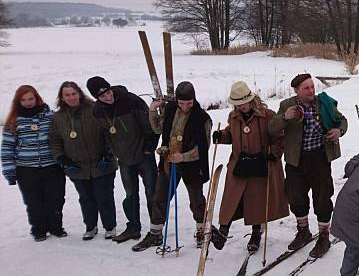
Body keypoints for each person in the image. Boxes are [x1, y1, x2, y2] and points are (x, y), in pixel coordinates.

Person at [269, 73, 347, 258]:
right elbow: (272, 129)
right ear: (297, 91)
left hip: (319, 158)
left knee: (322, 198)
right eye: (306, 88)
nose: (311, 91)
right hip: (295, 160)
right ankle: (303, 231)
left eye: (312, 87)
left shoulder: (323, 103)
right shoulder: (287, 105)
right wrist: (285, 118)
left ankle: (324, 237)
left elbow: (342, 120)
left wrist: (338, 131)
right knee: (296, 197)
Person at [132, 81, 212, 252]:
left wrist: (182, 156)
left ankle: (201, 231)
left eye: (189, 103)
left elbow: (203, 148)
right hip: (169, 162)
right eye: (181, 103)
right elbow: (158, 128)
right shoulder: (170, 110)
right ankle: (155, 233)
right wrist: (152, 110)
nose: (185, 107)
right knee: (160, 197)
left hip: (193, 166)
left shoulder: (203, 118)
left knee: (196, 200)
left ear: (194, 99)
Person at [210, 81, 289, 252]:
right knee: (231, 198)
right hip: (240, 163)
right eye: (237, 104)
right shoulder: (234, 117)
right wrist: (221, 136)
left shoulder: (267, 115)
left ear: (250, 99)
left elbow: (279, 139)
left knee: (256, 201)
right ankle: (223, 232)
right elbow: (231, 133)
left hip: (261, 164)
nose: (241, 107)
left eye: (243, 103)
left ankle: (256, 233)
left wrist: (274, 153)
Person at [87, 76, 159, 243]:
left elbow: (150, 126)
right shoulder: (98, 111)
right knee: (130, 194)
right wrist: (112, 152)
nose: (107, 96)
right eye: (102, 96)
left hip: (144, 155)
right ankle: (133, 227)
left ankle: (156, 228)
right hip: (125, 159)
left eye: (107, 91)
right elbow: (105, 135)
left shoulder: (131, 101)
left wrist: (149, 149)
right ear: (96, 98)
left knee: (151, 193)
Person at [49, 81, 118, 240]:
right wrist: (62, 159)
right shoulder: (58, 118)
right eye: (67, 95)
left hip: (102, 164)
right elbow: (54, 141)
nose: (71, 97)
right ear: (62, 97)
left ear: (79, 94)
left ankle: (110, 226)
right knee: (86, 198)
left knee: (104, 197)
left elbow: (110, 133)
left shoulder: (95, 109)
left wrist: (108, 155)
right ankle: (91, 226)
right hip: (77, 167)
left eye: (74, 94)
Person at [2, 85, 66, 241]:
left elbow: (60, 139)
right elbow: (7, 149)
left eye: (31, 98)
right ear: (18, 102)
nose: (28, 102)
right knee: (34, 201)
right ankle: (39, 229)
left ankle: (56, 227)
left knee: (56, 199)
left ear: (37, 98)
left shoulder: (49, 117)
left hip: (51, 166)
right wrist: (10, 172)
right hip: (26, 169)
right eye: (23, 100)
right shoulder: (13, 122)